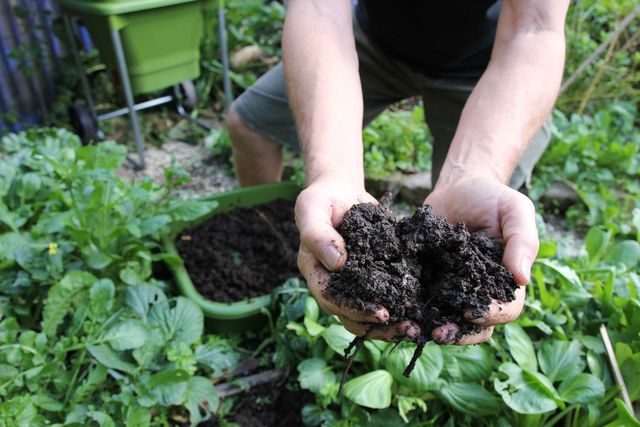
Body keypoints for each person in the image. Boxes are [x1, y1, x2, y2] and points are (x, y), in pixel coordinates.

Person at [227, 0, 570, 344]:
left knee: (480, 218)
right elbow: (318, 8)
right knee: (249, 125)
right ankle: (271, 255)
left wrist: (476, 173)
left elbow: (535, 26)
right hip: (370, 39)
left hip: (489, 58)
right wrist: (333, 171)